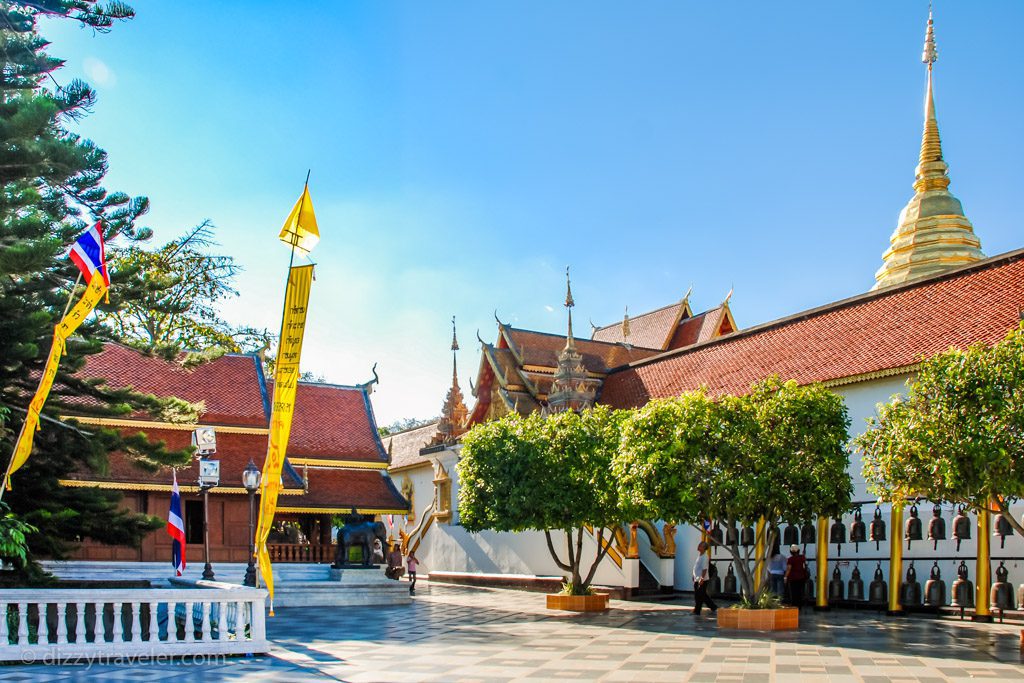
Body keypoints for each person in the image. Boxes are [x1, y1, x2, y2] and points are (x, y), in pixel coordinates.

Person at [691, 541, 717, 616]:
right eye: (699, 545)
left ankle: (697, 610)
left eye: (700, 546)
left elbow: (704, 569)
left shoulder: (705, 557)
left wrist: (702, 578)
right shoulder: (700, 555)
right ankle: (713, 607)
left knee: (699, 595)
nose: (698, 546)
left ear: (704, 548)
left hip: (702, 579)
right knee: (702, 595)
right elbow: (696, 567)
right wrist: (694, 575)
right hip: (697, 578)